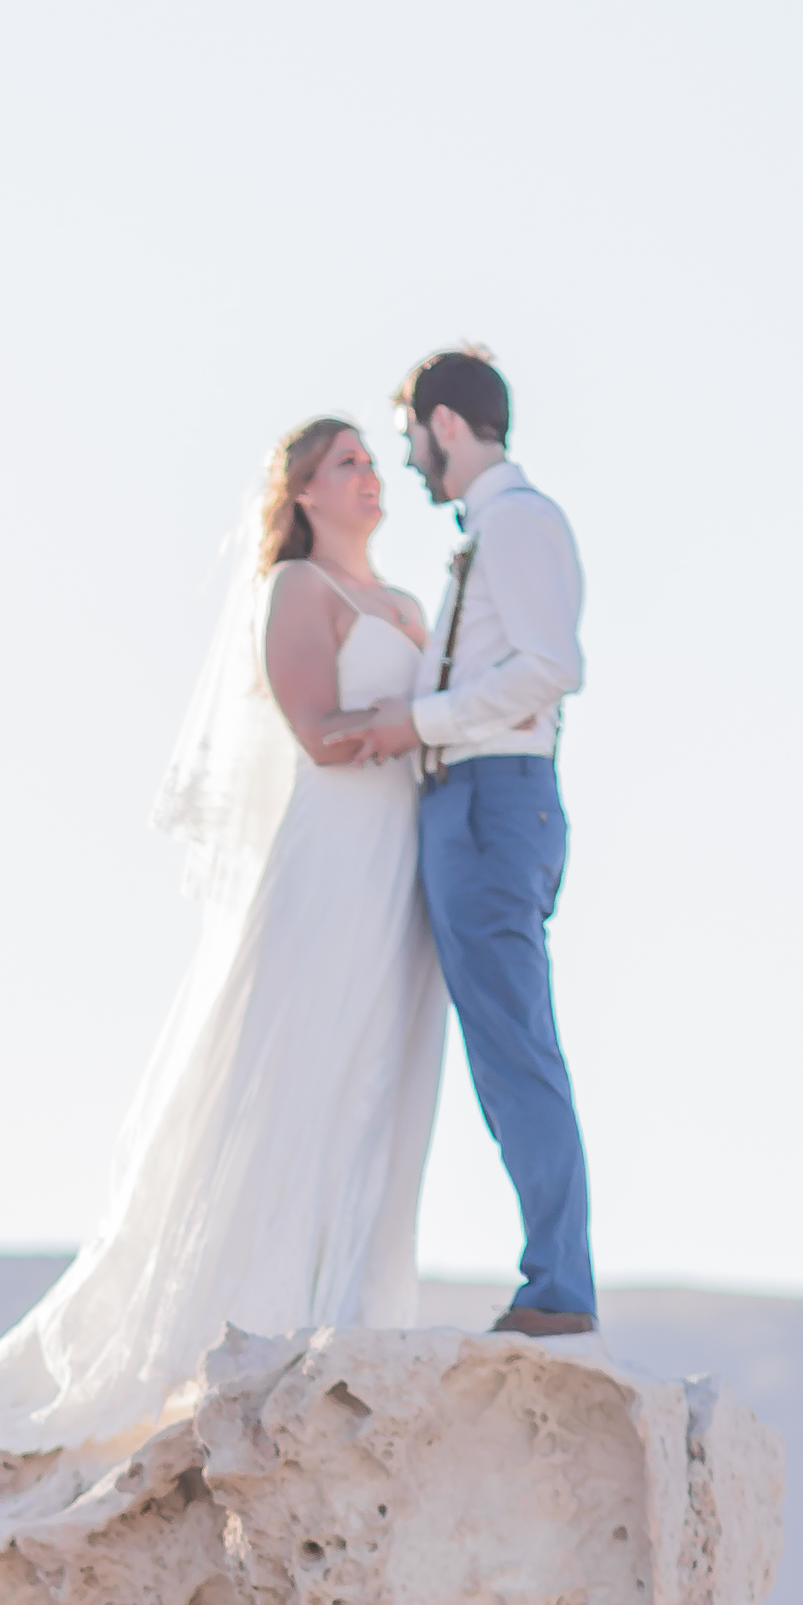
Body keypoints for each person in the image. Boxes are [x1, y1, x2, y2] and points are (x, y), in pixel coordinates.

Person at [0, 414, 451, 1448]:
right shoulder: (296, 593)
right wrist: (415, 727)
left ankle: (350, 1311)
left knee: (381, 1072)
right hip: (329, 856)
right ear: (305, 492)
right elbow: (318, 736)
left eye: (373, 461)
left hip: (402, 863)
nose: (372, 477)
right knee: (293, 1067)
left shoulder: (410, 606)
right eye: (349, 464)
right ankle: (240, 1321)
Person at [322, 348, 595, 1337]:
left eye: (408, 441)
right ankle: (553, 1278)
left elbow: (548, 667)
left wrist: (421, 720)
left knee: (514, 1046)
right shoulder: (493, 530)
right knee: (495, 1047)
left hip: (489, 798)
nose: (408, 466)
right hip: (469, 800)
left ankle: (559, 1286)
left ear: (444, 423)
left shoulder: (516, 524)